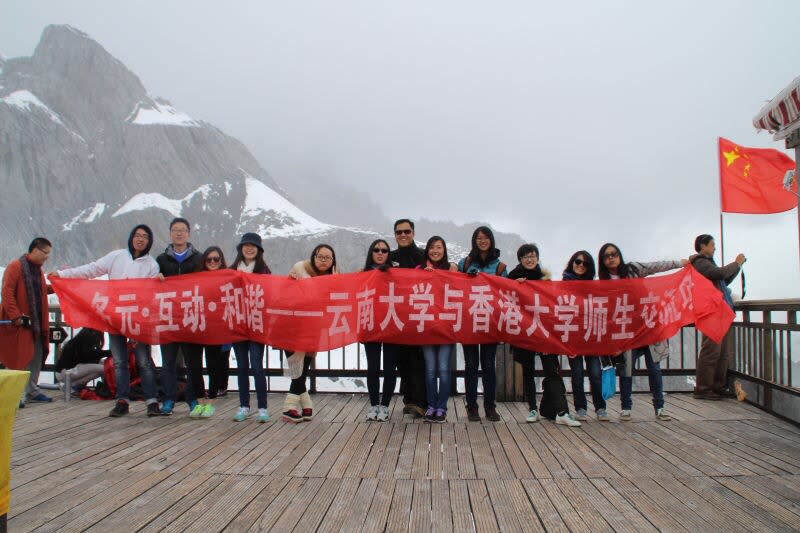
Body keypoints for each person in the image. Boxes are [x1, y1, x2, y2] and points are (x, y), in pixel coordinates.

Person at [49, 226, 161, 417]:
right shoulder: (117, 256)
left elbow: (151, 294)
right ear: (131, 237)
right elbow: (91, 270)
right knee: (119, 362)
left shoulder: (152, 264)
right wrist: (63, 275)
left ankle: (152, 402)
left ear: (150, 241)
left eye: (145, 237)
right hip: (115, 317)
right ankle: (122, 400)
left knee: (144, 362)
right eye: (137, 235)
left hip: (138, 321)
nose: (140, 239)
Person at [598, 243, 687, 422]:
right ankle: (626, 407)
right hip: (626, 331)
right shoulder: (603, 283)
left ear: (619, 255)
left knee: (654, 368)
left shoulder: (633, 270)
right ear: (603, 261)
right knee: (626, 370)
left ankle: (659, 407)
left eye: (614, 254)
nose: (611, 258)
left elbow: (655, 266)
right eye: (606, 256)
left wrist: (679, 263)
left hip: (648, 326)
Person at [508, 244, 580, 427]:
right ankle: (532, 408)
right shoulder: (513, 279)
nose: (529, 259)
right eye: (525, 257)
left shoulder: (546, 280)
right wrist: (516, 286)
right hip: (525, 331)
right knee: (528, 371)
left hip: (544, 331)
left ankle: (562, 412)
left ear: (538, 258)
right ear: (520, 260)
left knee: (552, 370)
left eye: (532, 256)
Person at [282, 244, 339, 423]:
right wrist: (290, 280)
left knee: (303, 365)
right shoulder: (299, 269)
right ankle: (289, 407)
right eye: (320, 256)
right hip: (292, 326)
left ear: (332, 261)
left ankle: (306, 403)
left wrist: (336, 282)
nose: (323, 260)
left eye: (327, 257)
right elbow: (285, 294)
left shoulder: (333, 277)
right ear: (313, 256)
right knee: (296, 365)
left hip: (314, 328)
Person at [458, 226, 508, 422]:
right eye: (478, 238)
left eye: (486, 237)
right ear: (474, 240)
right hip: (469, 321)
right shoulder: (465, 263)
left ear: (491, 240)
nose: (482, 240)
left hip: (490, 322)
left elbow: (507, 291)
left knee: (488, 365)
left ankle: (490, 406)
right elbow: (453, 284)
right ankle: (472, 407)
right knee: (471, 365)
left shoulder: (500, 267)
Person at [156, 217, 205, 416]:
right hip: (167, 317)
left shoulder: (198, 258)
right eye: (175, 230)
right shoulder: (160, 260)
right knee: (168, 363)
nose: (179, 233)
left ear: (189, 234)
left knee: (192, 362)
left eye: (183, 230)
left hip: (190, 317)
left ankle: (192, 398)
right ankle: (169, 399)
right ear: (170, 233)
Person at [690, 234, 745, 401]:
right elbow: (719, 273)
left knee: (722, 352)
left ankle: (717, 386)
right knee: (711, 351)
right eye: (712, 244)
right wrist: (736, 263)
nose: (714, 247)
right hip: (711, 312)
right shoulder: (700, 263)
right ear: (702, 246)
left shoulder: (708, 264)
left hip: (720, 311)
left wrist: (737, 268)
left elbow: (723, 280)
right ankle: (703, 388)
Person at [0, 238, 54, 407]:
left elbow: (40, 290)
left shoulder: (38, 271)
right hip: (21, 323)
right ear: (36, 250)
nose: (47, 257)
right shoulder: (15, 266)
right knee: (19, 357)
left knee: (36, 356)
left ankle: (31, 390)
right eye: (45, 253)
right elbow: (7, 292)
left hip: (36, 322)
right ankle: (16, 394)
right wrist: (16, 316)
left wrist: (56, 286)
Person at [563, 251, 610, 422]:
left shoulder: (595, 286)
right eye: (578, 261)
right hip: (573, 337)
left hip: (591, 336)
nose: (581, 265)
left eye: (585, 263)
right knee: (577, 374)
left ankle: (600, 407)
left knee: (595, 373)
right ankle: (580, 408)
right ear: (572, 263)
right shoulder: (563, 285)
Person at [387, 219, 427, 417]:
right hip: (396, 316)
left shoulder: (422, 256)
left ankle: (421, 401)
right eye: (399, 232)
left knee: (418, 359)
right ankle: (409, 399)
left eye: (406, 231)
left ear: (413, 233)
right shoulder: (389, 257)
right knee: (402, 360)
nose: (403, 235)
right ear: (394, 235)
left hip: (419, 315)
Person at [231, 232, 271, 423]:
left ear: (259, 250)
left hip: (256, 324)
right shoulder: (231, 270)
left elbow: (271, 293)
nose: (249, 248)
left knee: (257, 365)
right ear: (240, 248)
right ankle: (244, 405)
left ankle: (263, 407)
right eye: (246, 245)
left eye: (253, 246)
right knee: (241, 366)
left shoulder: (264, 270)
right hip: (237, 324)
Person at [418, 236, 458, 423]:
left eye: (439, 247)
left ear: (444, 250)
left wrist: (453, 273)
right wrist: (423, 276)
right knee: (430, 369)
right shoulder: (419, 269)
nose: (435, 250)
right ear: (427, 250)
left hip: (446, 327)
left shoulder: (451, 269)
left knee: (443, 369)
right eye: (432, 247)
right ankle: (431, 405)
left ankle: (442, 407)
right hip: (426, 327)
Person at [362, 239, 397, 422]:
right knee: (373, 368)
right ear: (371, 252)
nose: (380, 253)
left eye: (384, 250)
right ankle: (373, 404)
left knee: (390, 368)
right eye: (376, 249)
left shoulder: (395, 273)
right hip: (371, 326)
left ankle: (385, 406)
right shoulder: (363, 274)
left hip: (391, 324)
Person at [195, 246, 230, 418]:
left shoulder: (228, 278)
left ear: (222, 260)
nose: (213, 262)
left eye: (216, 259)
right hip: (197, 326)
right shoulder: (196, 278)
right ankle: (199, 401)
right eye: (209, 259)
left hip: (216, 328)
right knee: (194, 366)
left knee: (213, 365)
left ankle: (211, 402)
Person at [55, 328, 109, 395]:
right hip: (66, 372)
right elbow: (88, 357)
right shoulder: (88, 337)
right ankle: (71, 385)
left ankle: (73, 385)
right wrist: (108, 353)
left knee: (103, 366)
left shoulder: (80, 338)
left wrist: (104, 354)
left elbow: (89, 357)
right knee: (105, 369)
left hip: (63, 372)